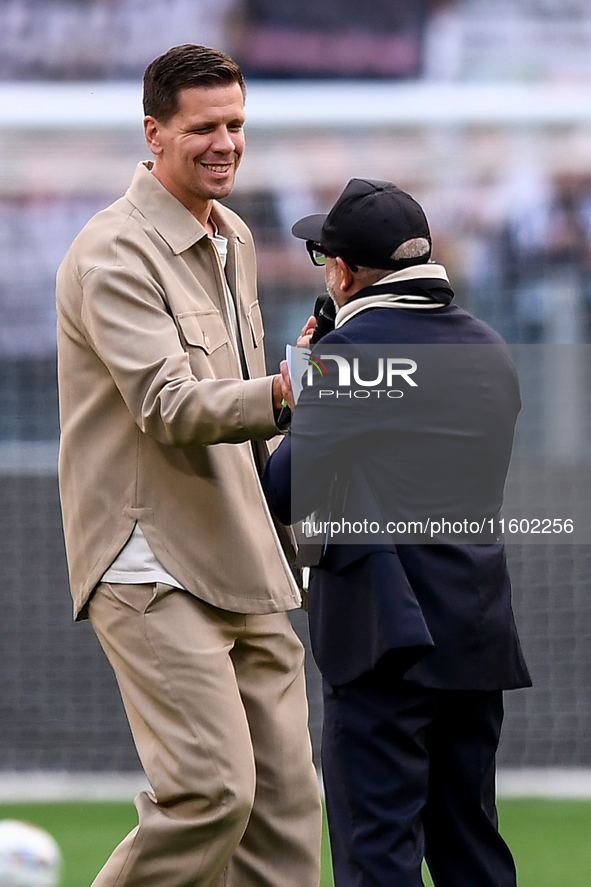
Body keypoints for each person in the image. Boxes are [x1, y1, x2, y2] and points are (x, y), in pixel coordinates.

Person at [56, 44, 321, 887]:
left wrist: (301, 519)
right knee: (209, 793)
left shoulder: (234, 234)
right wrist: (286, 390)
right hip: (150, 562)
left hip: (245, 552)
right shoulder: (112, 253)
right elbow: (170, 405)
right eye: (203, 126)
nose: (225, 143)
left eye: (236, 123)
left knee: (284, 815)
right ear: (154, 132)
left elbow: (250, 406)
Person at [263, 178, 532, 887]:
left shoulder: (351, 354)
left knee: (376, 853)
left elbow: (285, 489)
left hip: (382, 637)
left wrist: (309, 377)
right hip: (474, 629)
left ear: (343, 273)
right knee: (472, 846)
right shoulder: (489, 348)